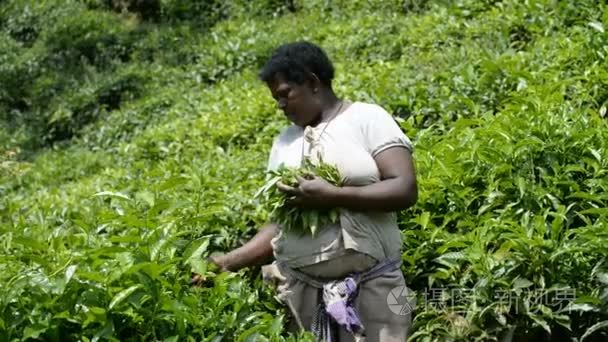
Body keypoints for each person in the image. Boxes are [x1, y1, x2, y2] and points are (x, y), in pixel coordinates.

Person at [192, 41, 418, 342]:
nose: (280, 105)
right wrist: (228, 262)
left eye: (285, 94)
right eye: (276, 98)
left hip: (373, 290)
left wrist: (334, 195)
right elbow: (280, 225)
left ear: (313, 82)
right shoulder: (284, 143)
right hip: (304, 298)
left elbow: (405, 188)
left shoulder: (365, 118)